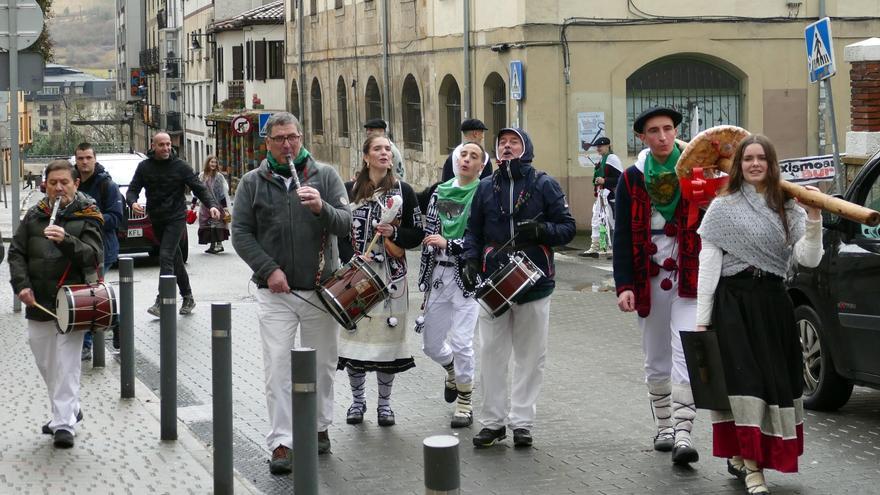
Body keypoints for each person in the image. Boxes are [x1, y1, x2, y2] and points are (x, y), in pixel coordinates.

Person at [696, 135, 823, 494]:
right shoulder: (723, 207)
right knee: (744, 383)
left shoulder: (788, 207)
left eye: (761, 158)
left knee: (773, 383)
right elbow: (709, 264)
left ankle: (746, 454)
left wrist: (813, 220)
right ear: (738, 164)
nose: (754, 164)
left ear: (771, 163)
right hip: (733, 303)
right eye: (748, 158)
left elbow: (808, 258)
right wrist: (703, 319)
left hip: (773, 303)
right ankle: (752, 468)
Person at [231, 112, 351, 474]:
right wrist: (269, 270)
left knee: (323, 364)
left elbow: (346, 223)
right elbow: (240, 233)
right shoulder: (252, 182)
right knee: (278, 366)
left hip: (320, 289)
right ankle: (282, 441)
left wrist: (322, 208)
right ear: (267, 142)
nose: (287, 145)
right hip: (275, 292)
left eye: (292, 137)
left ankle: (318, 427)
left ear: (301, 138)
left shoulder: (326, 175)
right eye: (279, 138)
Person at [462, 127, 576, 448]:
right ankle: (493, 422)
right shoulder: (485, 187)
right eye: (502, 143)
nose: (507, 147)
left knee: (530, 357)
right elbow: (474, 232)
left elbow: (567, 227)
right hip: (495, 282)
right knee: (490, 354)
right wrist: (470, 261)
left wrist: (541, 230)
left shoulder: (544, 184)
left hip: (534, 282)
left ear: (526, 148)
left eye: (514, 142)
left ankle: (522, 422)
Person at [613, 106, 701, 465]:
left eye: (668, 129)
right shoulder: (631, 178)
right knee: (657, 356)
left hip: (689, 275)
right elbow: (621, 236)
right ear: (642, 137)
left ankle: (683, 432)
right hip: (648, 277)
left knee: (686, 350)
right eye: (654, 131)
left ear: (676, 131)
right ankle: (664, 426)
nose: (663, 136)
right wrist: (624, 285)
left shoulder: (695, 170)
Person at [8, 159, 104, 449]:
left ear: (75, 183)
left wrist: (66, 240)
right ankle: (71, 409)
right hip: (38, 301)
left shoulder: (88, 214)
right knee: (46, 361)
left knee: (66, 363)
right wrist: (22, 287)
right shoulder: (35, 215)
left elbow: (94, 256)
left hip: (71, 302)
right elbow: (16, 253)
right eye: (53, 183)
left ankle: (63, 425)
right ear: (45, 185)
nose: (59, 188)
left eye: (64, 182)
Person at [338, 135, 423, 428]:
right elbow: (339, 231)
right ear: (366, 156)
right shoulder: (349, 191)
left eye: (388, 149)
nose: (384, 153)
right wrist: (352, 259)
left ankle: (384, 405)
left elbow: (417, 234)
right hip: (357, 276)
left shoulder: (404, 191)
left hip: (391, 280)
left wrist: (393, 235)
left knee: (387, 344)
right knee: (355, 342)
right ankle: (357, 401)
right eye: (378, 149)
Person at [417, 141, 486, 428]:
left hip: (468, 277)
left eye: (473, 156)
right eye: (462, 155)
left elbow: (481, 238)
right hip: (438, 276)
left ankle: (465, 403)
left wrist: (451, 244)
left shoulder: (483, 193)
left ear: (481, 166)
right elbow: (429, 229)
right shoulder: (440, 192)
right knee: (431, 345)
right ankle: (451, 369)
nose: (466, 160)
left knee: (461, 341)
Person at [126, 132, 221, 317]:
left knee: (166, 256)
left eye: (168, 144)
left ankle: (162, 301)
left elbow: (199, 188)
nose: (166, 148)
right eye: (162, 145)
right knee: (175, 258)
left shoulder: (181, 166)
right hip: (157, 218)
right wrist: (133, 202)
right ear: (153, 146)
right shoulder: (144, 166)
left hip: (176, 217)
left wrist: (212, 206)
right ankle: (188, 297)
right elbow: (132, 189)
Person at [73, 143, 124, 358]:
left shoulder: (107, 185)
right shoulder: (71, 182)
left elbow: (116, 217)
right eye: (80, 158)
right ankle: (116, 321)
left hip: (103, 249)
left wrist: (90, 220)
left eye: (88, 158)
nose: (84, 162)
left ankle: (85, 344)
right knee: (88, 294)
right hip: (77, 249)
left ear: (95, 159)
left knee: (91, 294)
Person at [580, 136, 622, 258]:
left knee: (612, 221)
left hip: (610, 196)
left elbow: (620, 178)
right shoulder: (603, 159)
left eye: (600, 146)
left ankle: (616, 248)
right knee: (597, 219)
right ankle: (595, 245)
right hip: (602, 195)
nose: (598, 149)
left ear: (608, 146)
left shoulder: (612, 158)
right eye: (597, 147)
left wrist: (604, 180)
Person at [192, 156, 229, 254]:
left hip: (217, 204)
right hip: (205, 206)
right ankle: (212, 245)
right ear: (207, 163)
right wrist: (193, 203)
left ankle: (219, 245)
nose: (213, 164)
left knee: (216, 224)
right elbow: (197, 190)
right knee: (208, 225)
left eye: (215, 162)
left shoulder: (219, 177)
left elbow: (222, 192)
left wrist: (225, 208)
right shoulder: (202, 176)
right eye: (211, 162)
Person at [440, 118, 494, 182]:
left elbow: (445, 181)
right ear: (475, 133)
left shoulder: (452, 157)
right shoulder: (484, 159)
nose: (482, 137)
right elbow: (488, 185)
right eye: (481, 132)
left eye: (473, 157)